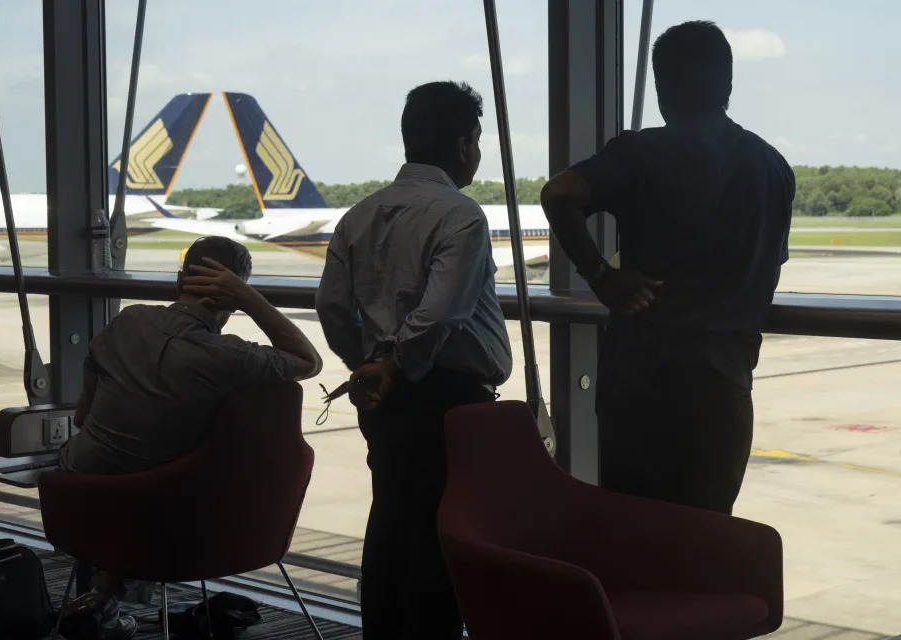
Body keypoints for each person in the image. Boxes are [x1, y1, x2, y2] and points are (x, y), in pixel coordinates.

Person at [540, 20, 794, 516]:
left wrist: (601, 276)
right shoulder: (773, 168)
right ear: (728, 84)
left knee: (633, 539)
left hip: (639, 384)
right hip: (723, 387)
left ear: (660, 88)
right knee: (703, 542)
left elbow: (558, 194)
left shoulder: (642, 152)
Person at [316, 81, 512, 640]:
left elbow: (331, 306)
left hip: (384, 395)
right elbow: (440, 314)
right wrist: (397, 365)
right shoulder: (462, 216)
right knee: (440, 541)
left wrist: (371, 364)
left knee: (392, 526)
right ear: (464, 142)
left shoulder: (359, 214)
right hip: (445, 398)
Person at [58, 236, 322, 640]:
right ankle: (105, 599)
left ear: (178, 281)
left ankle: (100, 600)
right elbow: (310, 361)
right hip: (174, 508)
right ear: (234, 296)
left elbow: (81, 416)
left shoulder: (125, 322)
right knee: (159, 473)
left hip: (83, 494)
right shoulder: (228, 358)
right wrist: (252, 299)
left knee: (128, 467)